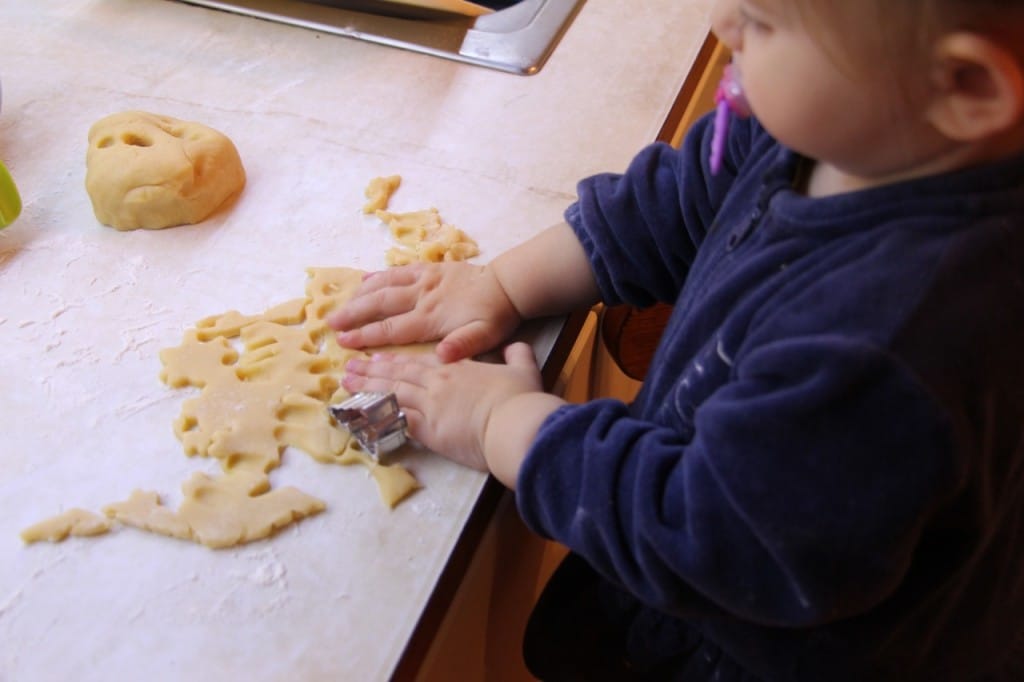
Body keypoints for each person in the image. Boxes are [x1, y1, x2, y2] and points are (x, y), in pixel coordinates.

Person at [329, 0, 1024, 678]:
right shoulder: (859, 128)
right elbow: (686, 194)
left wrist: (502, 422)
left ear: (965, 86)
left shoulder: (890, 342)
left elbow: (705, 533)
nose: (720, 23)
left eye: (761, 21)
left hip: (742, 649)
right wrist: (507, 284)